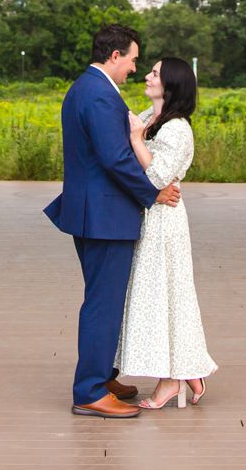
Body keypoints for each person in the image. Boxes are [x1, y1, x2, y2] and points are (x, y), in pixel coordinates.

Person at [43, 23, 182, 417]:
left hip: (94, 212)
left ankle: (102, 376)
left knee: (104, 300)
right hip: (104, 215)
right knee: (103, 305)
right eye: (134, 60)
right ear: (115, 55)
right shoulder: (100, 94)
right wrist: (152, 193)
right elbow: (115, 158)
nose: (135, 69)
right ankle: (89, 390)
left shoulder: (87, 88)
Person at [116, 56, 216, 409]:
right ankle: (186, 370)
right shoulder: (146, 118)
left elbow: (158, 178)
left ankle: (171, 381)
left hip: (165, 219)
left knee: (165, 294)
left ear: (170, 85)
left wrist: (136, 140)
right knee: (156, 294)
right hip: (146, 214)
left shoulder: (177, 129)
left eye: (155, 73)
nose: (147, 75)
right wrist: (135, 135)